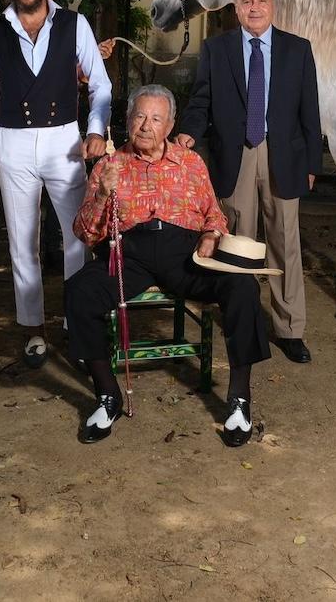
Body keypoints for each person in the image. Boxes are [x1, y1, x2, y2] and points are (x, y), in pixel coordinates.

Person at [66, 85, 272, 446]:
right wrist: (101, 194)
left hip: (185, 255)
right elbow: (84, 233)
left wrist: (211, 233)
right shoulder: (108, 166)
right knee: (79, 291)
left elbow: (214, 213)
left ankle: (239, 398)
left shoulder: (190, 163)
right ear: (128, 120)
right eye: (140, 116)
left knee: (243, 286)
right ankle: (107, 395)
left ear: (171, 123)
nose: (146, 125)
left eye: (156, 118)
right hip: (129, 254)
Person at [0, 0, 112, 367]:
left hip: (64, 141)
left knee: (77, 236)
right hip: (12, 142)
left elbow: (101, 85)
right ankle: (33, 329)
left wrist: (93, 130)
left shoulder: (74, 23)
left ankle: (76, 323)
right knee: (22, 241)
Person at [176, 0, 322, 364]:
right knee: (237, 243)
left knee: (284, 242)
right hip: (234, 156)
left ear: (273, 6)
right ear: (235, 7)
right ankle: (243, 319)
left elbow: (310, 111)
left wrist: (312, 162)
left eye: (261, 1)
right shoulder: (216, 49)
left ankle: (290, 329)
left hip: (283, 156)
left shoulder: (298, 50)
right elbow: (200, 102)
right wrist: (188, 134)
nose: (254, 8)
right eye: (246, 1)